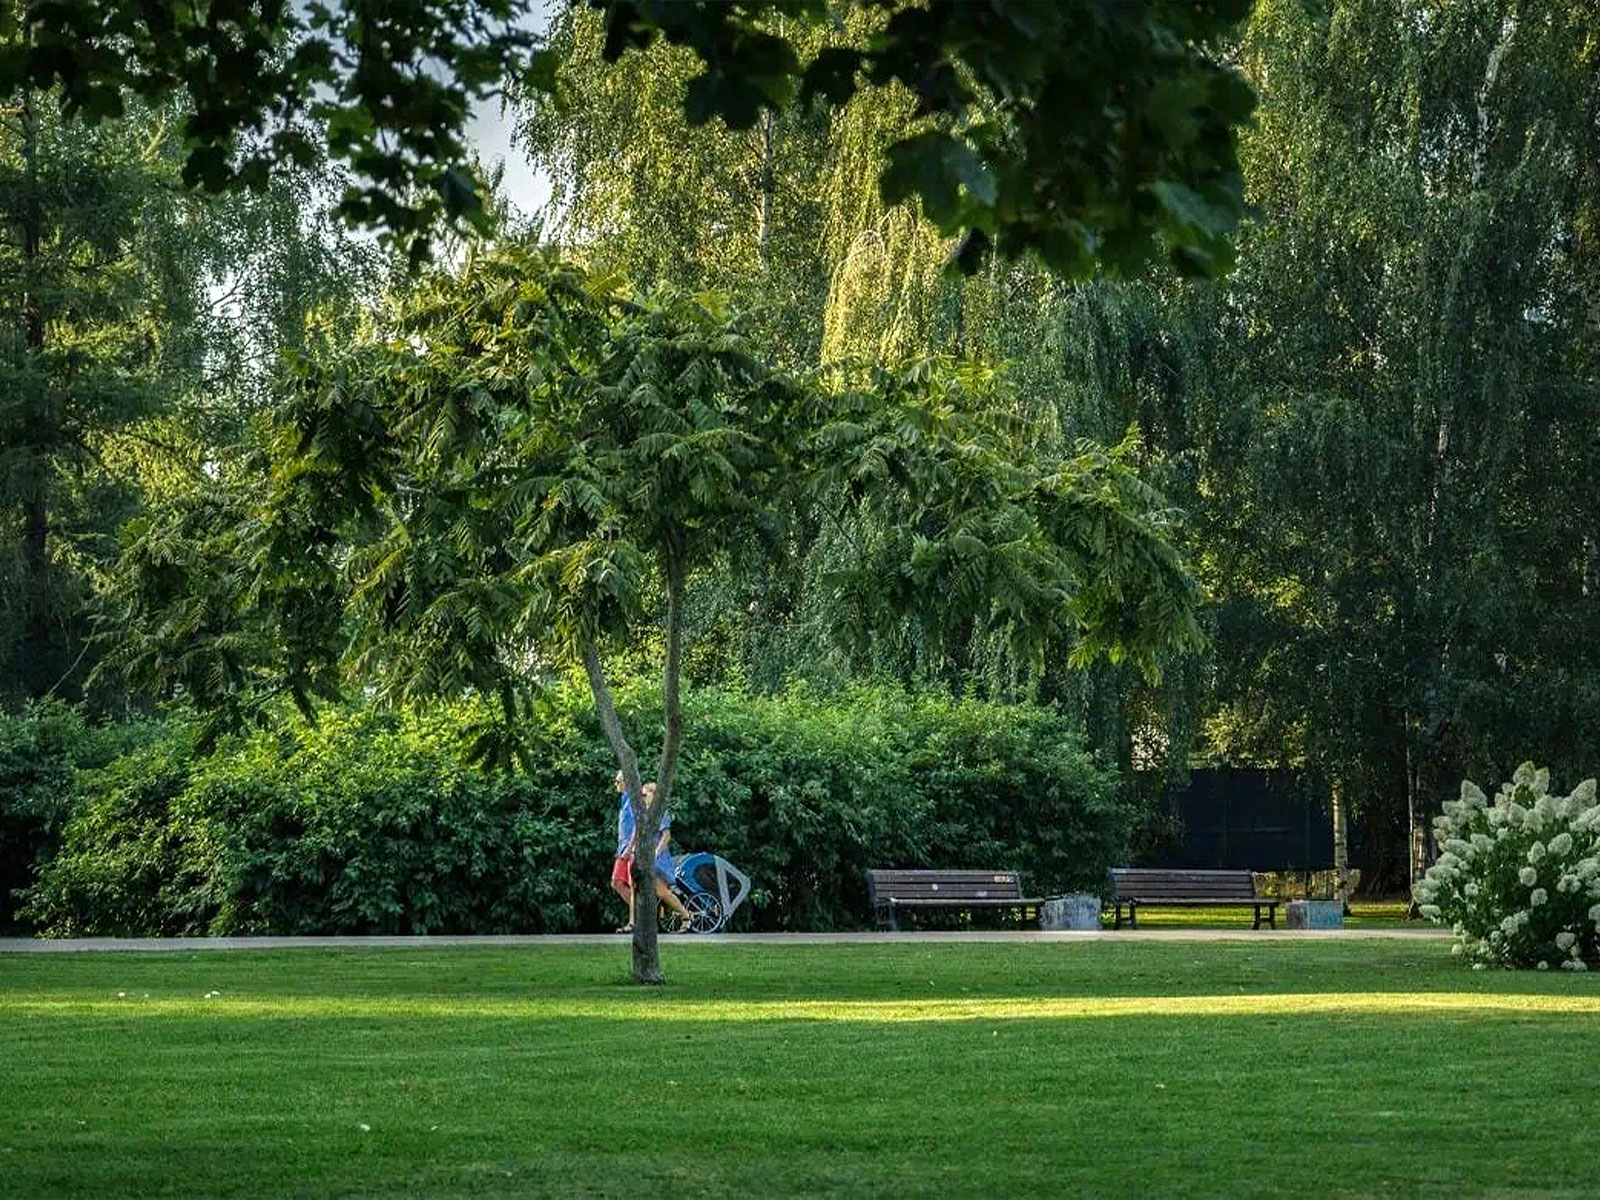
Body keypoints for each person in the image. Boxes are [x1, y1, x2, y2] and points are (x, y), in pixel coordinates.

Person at [610, 773, 692, 933]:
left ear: (654, 796)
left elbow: (666, 836)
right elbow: (636, 832)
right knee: (635, 888)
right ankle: (633, 923)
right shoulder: (642, 812)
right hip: (642, 855)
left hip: (658, 859)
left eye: (645, 794)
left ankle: (686, 916)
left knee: (660, 891)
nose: (641, 797)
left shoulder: (660, 813)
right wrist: (632, 849)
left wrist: (655, 853)